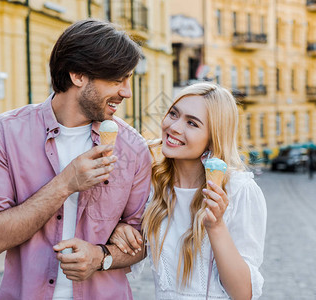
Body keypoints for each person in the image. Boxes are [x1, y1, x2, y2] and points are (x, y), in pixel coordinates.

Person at [0, 19, 152, 299]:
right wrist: (65, 184)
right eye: (117, 79)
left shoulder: (133, 148)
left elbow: (141, 244)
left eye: (128, 79)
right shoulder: (4, 133)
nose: (126, 92)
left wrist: (101, 255)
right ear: (78, 75)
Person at [110, 82, 267, 299]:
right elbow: (131, 246)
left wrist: (216, 226)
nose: (174, 127)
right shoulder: (153, 184)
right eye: (174, 114)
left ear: (213, 138)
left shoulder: (239, 190)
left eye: (192, 123)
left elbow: (243, 293)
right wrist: (118, 229)